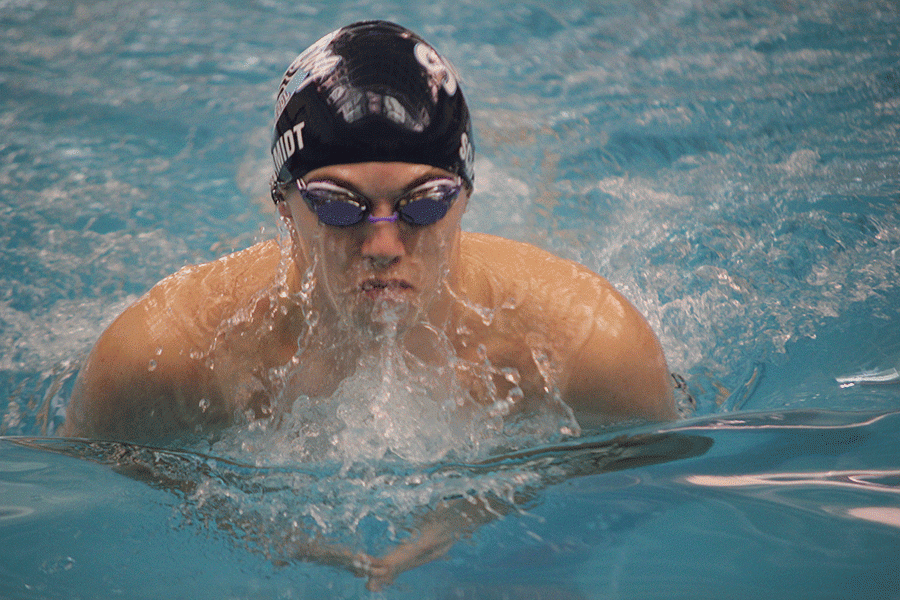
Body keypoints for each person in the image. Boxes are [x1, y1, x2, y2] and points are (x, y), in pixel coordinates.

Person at [61, 20, 677, 588]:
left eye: (426, 202)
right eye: (336, 204)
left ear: (465, 196)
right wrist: (258, 529)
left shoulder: (588, 344)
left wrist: (488, 519)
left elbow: (644, 484)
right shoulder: (164, 354)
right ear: (283, 204)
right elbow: (85, 508)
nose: (383, 245)